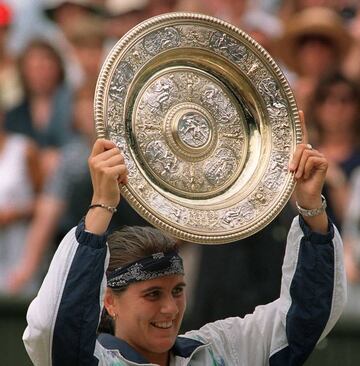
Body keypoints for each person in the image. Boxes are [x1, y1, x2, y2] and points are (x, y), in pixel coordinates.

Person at [23, 113, 346, 365]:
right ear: (109, 302)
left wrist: (309, 207)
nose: (169, 308)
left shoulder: (221, 353)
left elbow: (306, 318)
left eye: (177, 290)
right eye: (151, 294)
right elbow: (54, 328)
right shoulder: (90, 360)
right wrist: (102, 206)